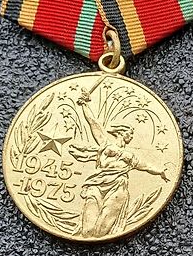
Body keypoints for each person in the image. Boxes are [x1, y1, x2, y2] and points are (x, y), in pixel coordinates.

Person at [68, 91, 170, 238]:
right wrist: (84, 104)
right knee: (87, 231)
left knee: (100, 233)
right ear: (122, 132)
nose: (132, 136)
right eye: (130, 133)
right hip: (96, 185)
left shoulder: (131, 156)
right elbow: (93, 123)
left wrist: (160, 171)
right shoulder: (105, 143)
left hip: (117, 188)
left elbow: (146, 166)